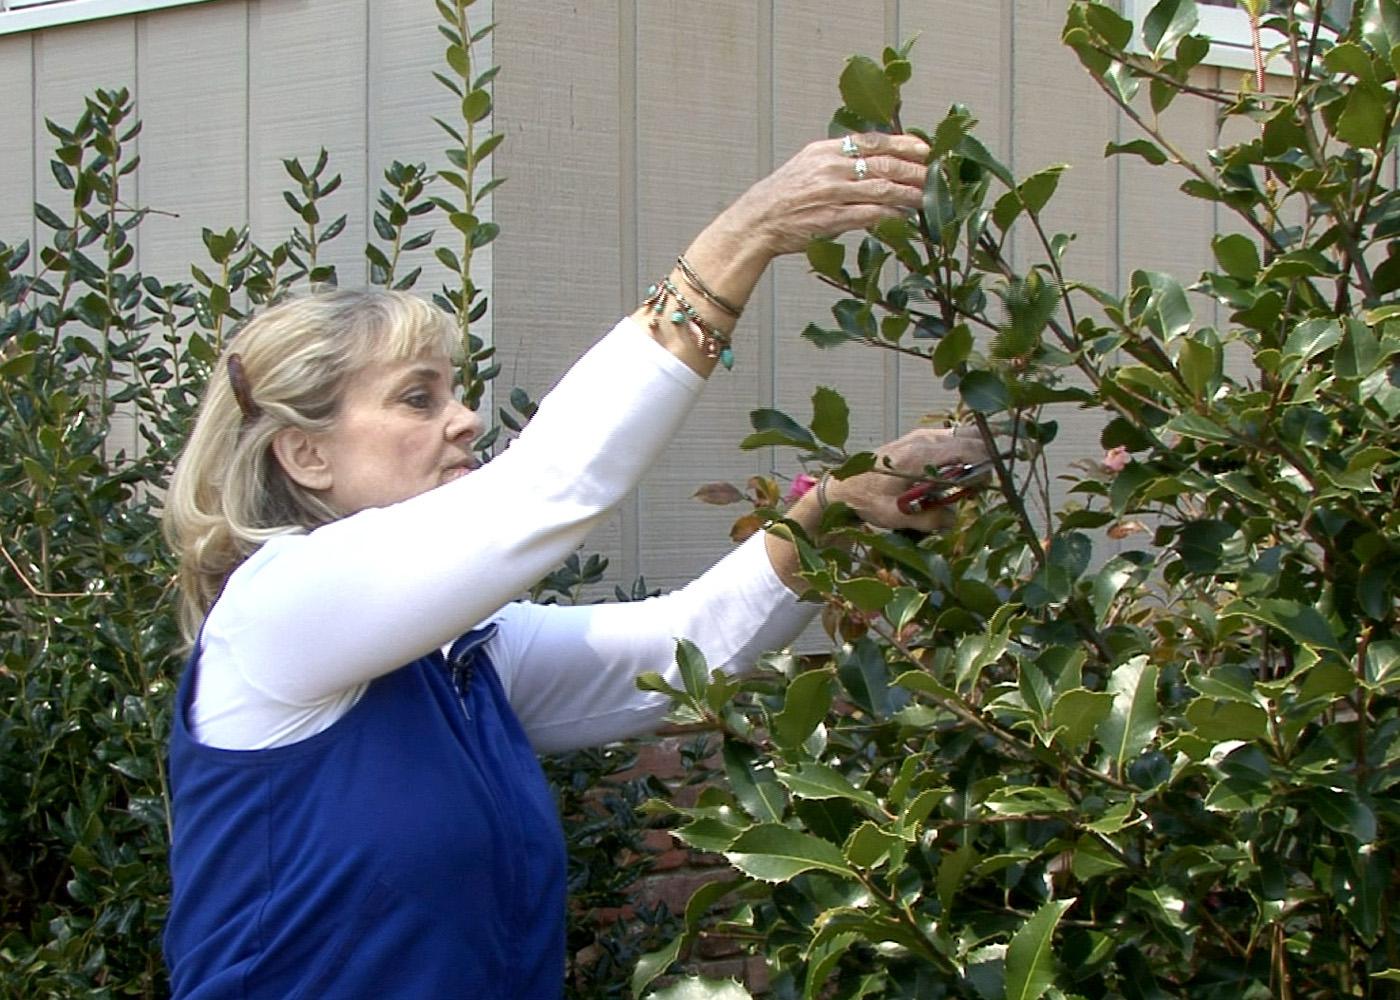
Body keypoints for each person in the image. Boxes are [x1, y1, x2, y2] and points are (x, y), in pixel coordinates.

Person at [160, 132, 989, 999]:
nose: (467, 419)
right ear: (305, 454)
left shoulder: (459, 660)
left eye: (455, 389)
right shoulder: (278, 610)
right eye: (418, 397)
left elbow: (687, 646)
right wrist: (742, 240)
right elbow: (548, 487)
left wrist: (835, 505)